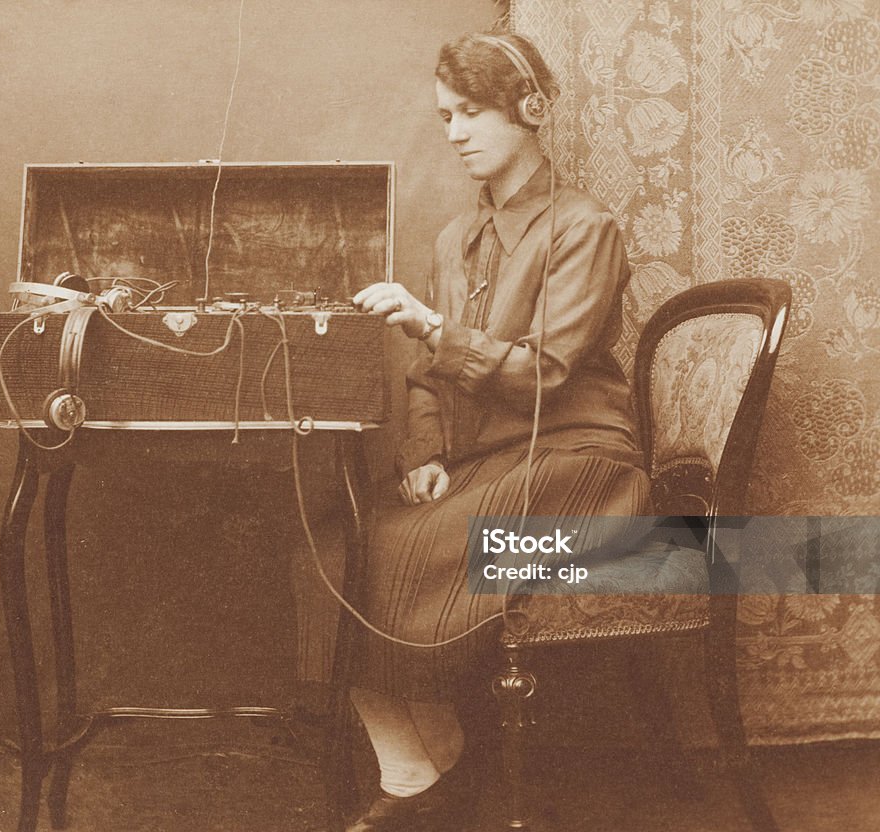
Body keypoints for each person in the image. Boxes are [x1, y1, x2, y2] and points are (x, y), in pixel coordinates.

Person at [344, 32, 650, 831]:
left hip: (583, 465)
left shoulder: (585, 228)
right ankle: (423, 758)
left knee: (405, 547)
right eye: (446, 116)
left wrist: (431, 324)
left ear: (529, 111)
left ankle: (428, 774)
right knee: (345, 534)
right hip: (494, 460)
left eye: (471, 112)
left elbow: (545, 371)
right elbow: (428, 376)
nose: (454, 133)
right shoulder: (455, 239)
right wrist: (426, 451)